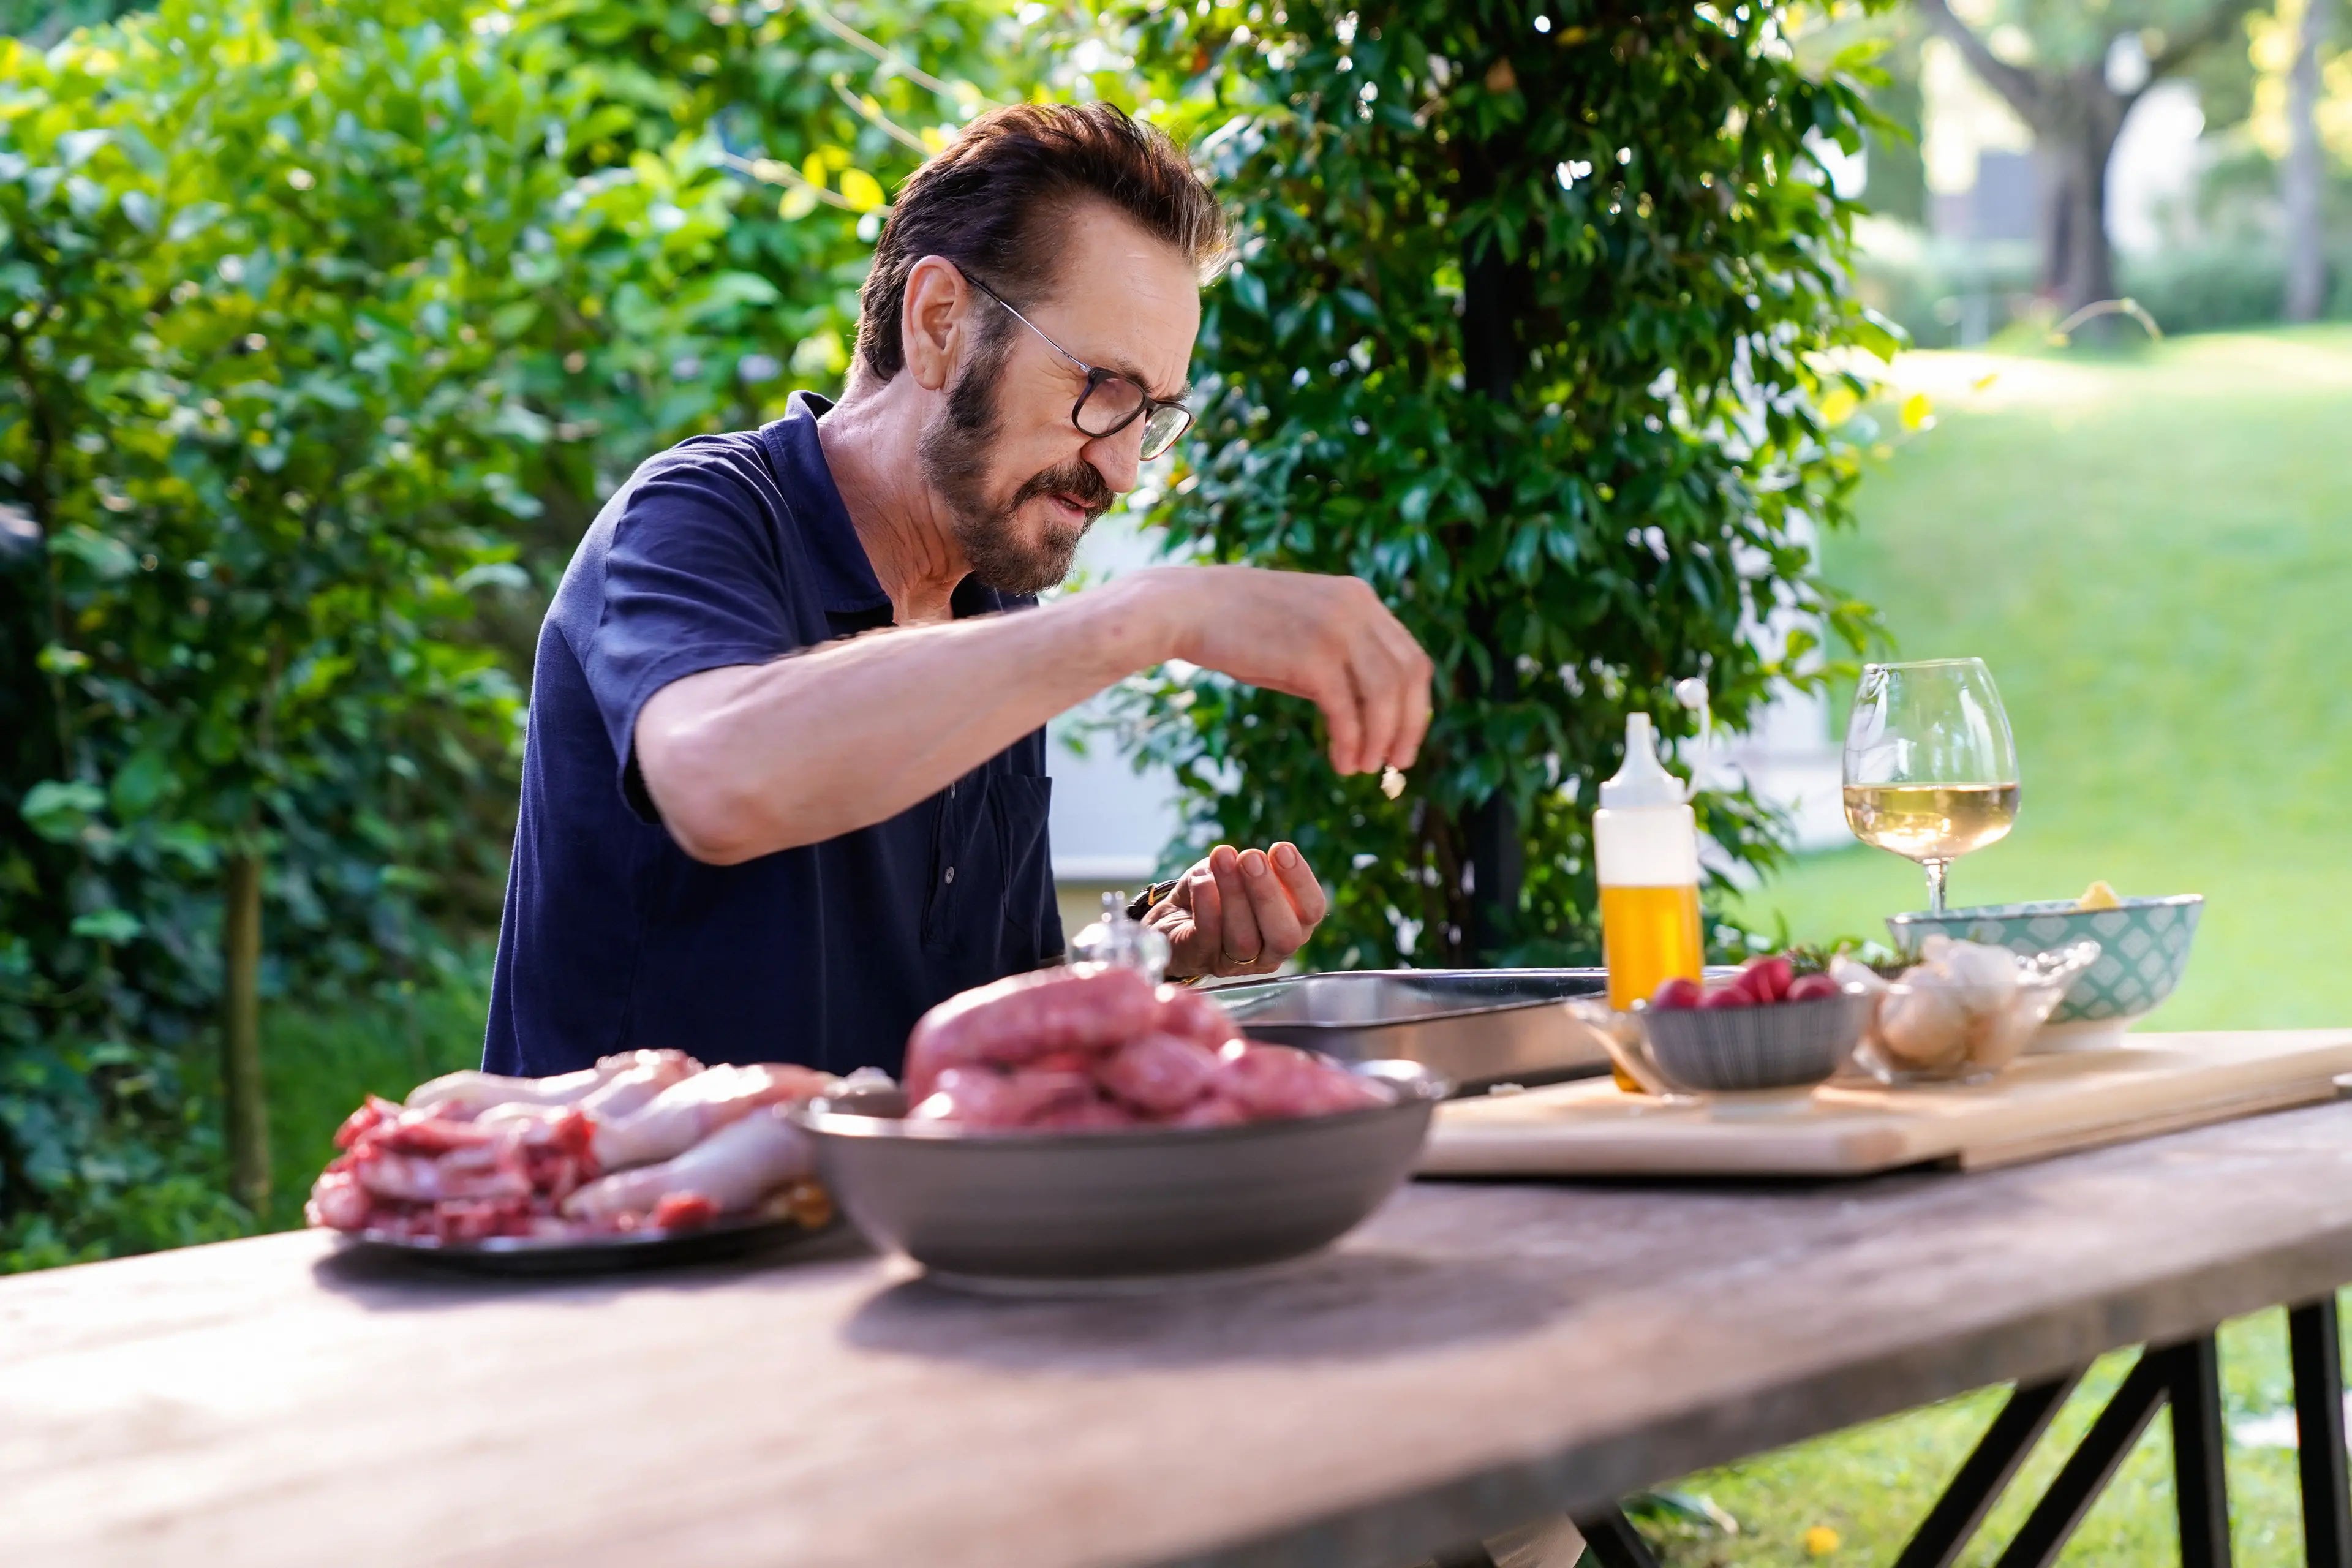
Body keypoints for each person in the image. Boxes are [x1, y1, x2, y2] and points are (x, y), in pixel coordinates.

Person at [484, 102, 1433, 1079]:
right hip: (633, 1219)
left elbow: (979, 1032)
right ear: (940, 323)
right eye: (1101, 388)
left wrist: (1156, 960)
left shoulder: (994, 615)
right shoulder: (699, 514)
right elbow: (721, 780)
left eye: (1148, 416)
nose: (1121, 471)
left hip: (894, 1225)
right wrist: (1152, 612)